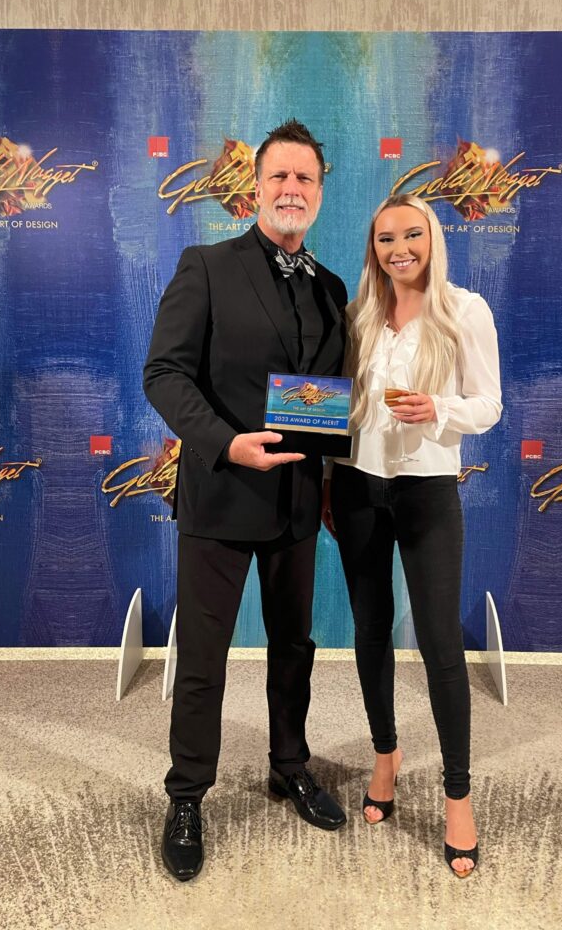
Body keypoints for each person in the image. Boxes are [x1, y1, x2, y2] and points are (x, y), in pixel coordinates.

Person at [144, 119, 348, 882]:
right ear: (255, 188)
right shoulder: (205, 266)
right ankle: (186, 795)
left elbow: (327, 398)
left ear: (319, 193)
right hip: (221, 497)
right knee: (203, 660)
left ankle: (288, 766)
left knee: (294, 648)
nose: (292, 189)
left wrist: (332, 481)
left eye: (305, 178)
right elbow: (164, 373)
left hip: (298, 504)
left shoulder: (332, 287)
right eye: (280, 177)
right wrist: (225, 443)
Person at [322, 193, 502, 878]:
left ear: (432, 239)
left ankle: (458, 796)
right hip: (357, 487)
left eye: (411, 235)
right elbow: (338, 407)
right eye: (385, 239)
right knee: (370, 631)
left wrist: (439, 408)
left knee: (440, 645)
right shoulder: (358, 317)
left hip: (428, 491)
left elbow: (489, 404)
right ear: (373, 248)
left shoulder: (465, 310)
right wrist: (327, 479)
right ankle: (385, 755)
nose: (399, 249)